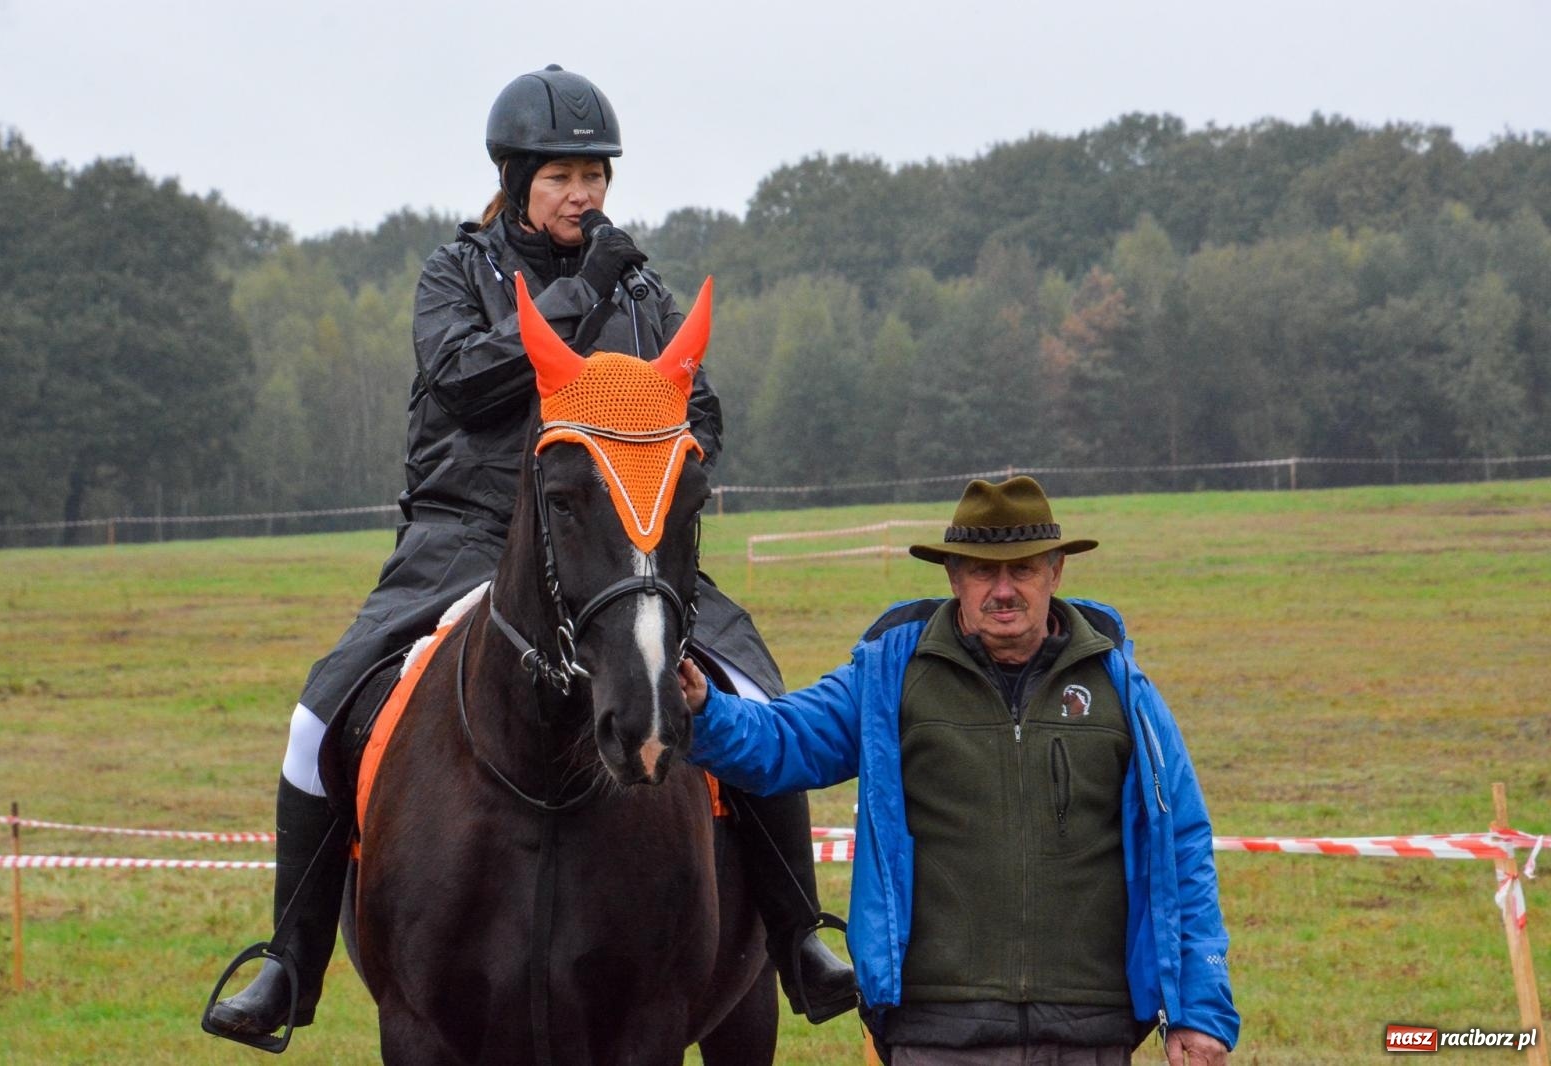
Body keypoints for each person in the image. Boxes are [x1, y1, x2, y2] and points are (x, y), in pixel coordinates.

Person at [207, 64, 855, 1041]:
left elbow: (702, 411)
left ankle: (801, 936)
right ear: (514, 181)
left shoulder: (642, 291)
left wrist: (664, 464)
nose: (582, 195)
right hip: (465, 539)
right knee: (318, 715)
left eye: (595, 176)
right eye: (561, 177)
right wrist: (578, 293)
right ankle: (287, 968)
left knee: (754, 692)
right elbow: (464, 383)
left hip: (616, 542)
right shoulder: (455, 274)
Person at [681, 476, 1240, 1065]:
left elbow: (1182, 843)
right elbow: (784, 741)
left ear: (1055, 572)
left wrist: (1200, 1010)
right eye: (982, 572)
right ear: (953, 577)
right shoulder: (890, 676)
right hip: (936, 1030)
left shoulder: (1120, 687)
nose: (1004, 590)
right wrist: (704, 708)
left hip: (1088, 1030)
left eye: (1022, 569)